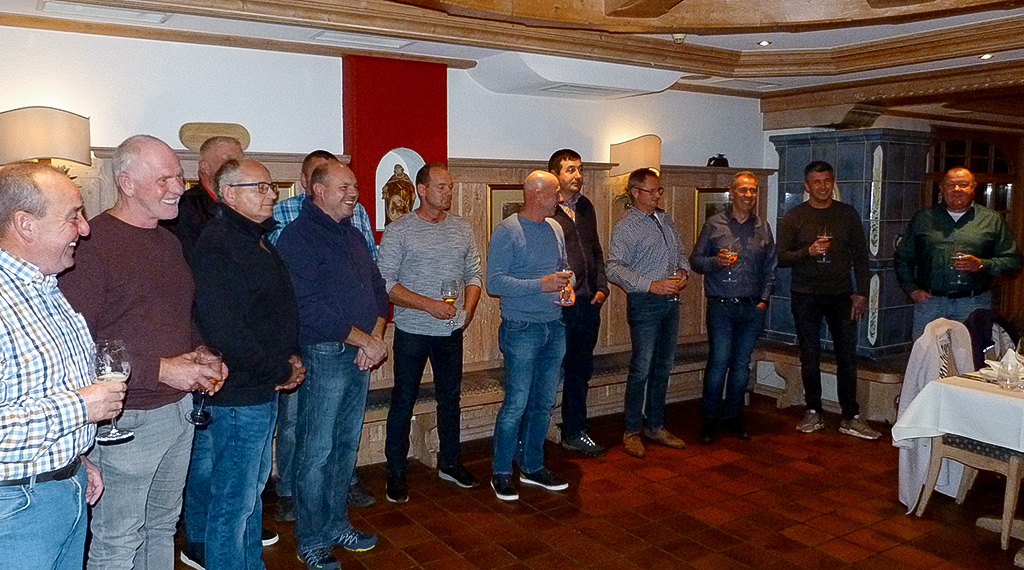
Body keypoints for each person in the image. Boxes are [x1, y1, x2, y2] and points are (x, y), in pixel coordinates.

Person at [59, 134, 226, 569]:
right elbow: (76, 346)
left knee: (162, 526)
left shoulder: (168, 240)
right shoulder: (92, 246)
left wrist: (200, 350)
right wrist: (161, 370)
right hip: (127, 419)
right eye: (164, 179)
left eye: (179, 177)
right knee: (118, 540)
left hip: (179, 410)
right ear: (127, 183)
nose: (178, 188)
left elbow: (176, 315)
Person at [180, 159, 306, 570]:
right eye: (261, 187)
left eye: (272, 186)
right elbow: (226, 333)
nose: (272, 194)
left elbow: (267, 312)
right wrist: (280, 369)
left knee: (249, 496)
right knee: (234, 503)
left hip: (258, 387)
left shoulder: (252, 237)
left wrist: (288, 356)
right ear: (230, 194)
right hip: (238, 394)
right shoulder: (219, 246)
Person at [0, 162, 125, 570]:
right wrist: (81, 407)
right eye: (73, 216)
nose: (84, 229)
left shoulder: (46, 287)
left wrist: (72, 461)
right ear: (25, 224)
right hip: (15, 508)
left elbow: (37, 389)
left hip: (61, 487)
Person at [276, 161, 388, 569]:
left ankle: (338, 524)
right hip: (325, 354)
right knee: (316, 451)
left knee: (344, 447)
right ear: (318, 191)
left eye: (354, 186)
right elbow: (307, 308)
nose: (353, 193)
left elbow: (379, 290)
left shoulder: (352, 234)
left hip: (359, 354)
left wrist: (375, 338)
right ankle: (311, 539)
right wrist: (364, 340)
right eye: (344, 187)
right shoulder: (297, 237)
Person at [377, 163, 482, 503]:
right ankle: (396, 471)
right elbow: (386, 284)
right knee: (403, 400)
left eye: (450, 186)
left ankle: (450, 463)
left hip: (450, 330)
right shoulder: (400, 230)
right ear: (421, 190)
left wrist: (467, 312)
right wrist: (428, 306)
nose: (448, 192)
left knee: (450, 399)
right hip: (412, 331)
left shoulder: (461, 228)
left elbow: (474, 274)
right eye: (441, 186)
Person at [486, 170, 573, 501]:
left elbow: (564, 272)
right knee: (516, 403)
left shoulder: (555, 228)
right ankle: (501, 472)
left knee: (544, 402)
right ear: (537, 194)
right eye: (555, 193)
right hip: (521, 327)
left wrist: (567, 289)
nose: (560, 198)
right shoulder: (507, 231)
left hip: (554, 325)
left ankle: (533, 466)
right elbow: (495, 282)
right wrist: (542, 284)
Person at [776, 160, 879, 440]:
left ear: (833, 183)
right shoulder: (795, 216)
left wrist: (861, 292)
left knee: (847, 356)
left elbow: (861, 258)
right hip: (805, 294)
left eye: (827, 181)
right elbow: (781, 257)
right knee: (809, 355)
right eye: (817, 182)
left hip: (841, 295)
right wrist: (807, 252)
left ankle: (850, 416)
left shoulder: (847, 214)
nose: (823, 187)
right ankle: (813, 410)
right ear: (806, 186)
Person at [606, 168, 689, 458]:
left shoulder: (665, 220)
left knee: (663, 366)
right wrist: (651, 285)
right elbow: (614, 268)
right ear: (635, 192)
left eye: (659, 190)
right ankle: (631, 430)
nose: (656, 196)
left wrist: (683, 271)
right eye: (651, 191)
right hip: (645, 303)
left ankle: (655, 425)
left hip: (671, 302)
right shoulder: (625, 228)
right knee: (641, 368)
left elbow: (680, 253)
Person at [690, 172, 776, 444]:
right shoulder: (714, 224)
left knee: (741, 366)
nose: (749, 195)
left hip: (752, 308)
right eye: (743, 190)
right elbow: (695, 261)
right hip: (722, 306)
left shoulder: (762, 226)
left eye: (753, 190)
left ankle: (734, 417)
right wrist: (715, 262)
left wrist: (763, 300)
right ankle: (709, 421)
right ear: (732, 192)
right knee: (719, 363)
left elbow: (771, 267)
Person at [895, 166, 1022, 339]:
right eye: (951, 185)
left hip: (974, 303)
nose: (957, 189)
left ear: (973, 187)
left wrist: (982, 264)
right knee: (925, 353)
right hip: (930, 303)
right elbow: (903, 258)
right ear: (942, 188)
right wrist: (912, 289)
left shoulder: (992, 220)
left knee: (972, 351)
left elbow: (1013, 261)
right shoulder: (923, 219)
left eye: (963, 184)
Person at [548, 149, 609, 457]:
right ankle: (539, 431)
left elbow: (595, 250)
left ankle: (575, 431)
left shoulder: (585, 206)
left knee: (580, 370)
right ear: (555, 175)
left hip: (587, 303)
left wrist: (602, 288)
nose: (578, 175)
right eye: (570, 170)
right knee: (548, 371)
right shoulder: (546, 209)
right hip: (557, 306)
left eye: (580, 169)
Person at [162, 136, 243, 258]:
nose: (238, 168)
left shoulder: (247, 204)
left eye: (240, 162)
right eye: (229, 161)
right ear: (205, 167)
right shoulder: (183, 208)